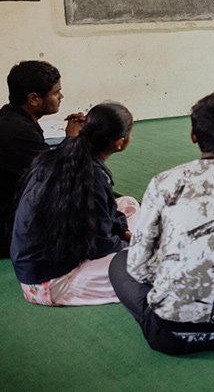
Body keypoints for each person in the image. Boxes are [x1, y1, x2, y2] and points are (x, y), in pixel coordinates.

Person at [109, 94, 214, 355]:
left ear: (193, 135)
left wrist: (177, 272)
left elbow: (138, 265)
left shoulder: (163, 182)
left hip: (170, 335)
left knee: (119, 264)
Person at [11, 102, 139, 306]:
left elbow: (105, 212)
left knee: (128, 203)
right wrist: (132, 244)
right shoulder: (92, 178)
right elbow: (100, 245)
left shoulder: (57, 156)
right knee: (147, 261)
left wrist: (124, 233)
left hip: (37, 264)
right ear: (120, 142)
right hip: (49, 283)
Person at [0, 61, 84, 257]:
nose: (61, 97)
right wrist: (71, 139)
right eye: (56, 93)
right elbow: (56, 174)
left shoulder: (11, 117)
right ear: (34, 99)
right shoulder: (17, 131)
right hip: (9, 230)